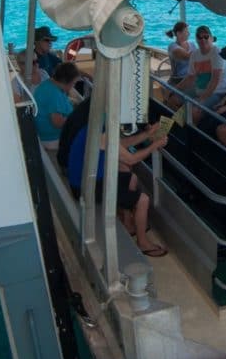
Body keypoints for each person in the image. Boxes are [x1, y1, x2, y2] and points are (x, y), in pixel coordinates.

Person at [66, 108, 169, 257]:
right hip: (86, 187)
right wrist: (155, 145)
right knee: (143, 200)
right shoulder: (103, 134)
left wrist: (147, 134)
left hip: (86, 180)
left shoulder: (96, 125)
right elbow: (131, 159)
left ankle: (128, 223)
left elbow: (121, 143)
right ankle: (143, 243)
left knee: (130, 176)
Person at [171, 25, 226, 111]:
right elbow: (190, 78)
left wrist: (201, 99)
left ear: (211, 38)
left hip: (216, 93)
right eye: (199, 37)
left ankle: (184, 121)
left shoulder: (216, 52)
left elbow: (215, 80)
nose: (203, 39)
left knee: (194, 110)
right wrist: (174, 89)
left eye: (206, 37)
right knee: (173, 99)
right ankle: (175, 122)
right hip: (199, 90)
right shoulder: (195, 54)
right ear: (196, 39)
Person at [33, 62, 79, 149]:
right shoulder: (53, 94)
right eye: (73, 83)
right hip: (52, 139)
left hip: (45, 135)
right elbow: (57, 122)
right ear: (66, 81)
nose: (73, 86)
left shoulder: (49, 84)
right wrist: (76, 118)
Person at [165, 21, 193, 85]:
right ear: (178, 33)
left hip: (191, 78)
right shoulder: (172, 46)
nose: (189, 34)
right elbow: (187, 56)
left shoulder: (192, 45)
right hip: (178, 80)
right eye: (186, 31)